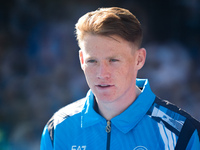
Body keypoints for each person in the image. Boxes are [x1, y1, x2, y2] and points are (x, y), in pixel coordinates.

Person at [40, 7, 200, 150]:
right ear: (82, 60)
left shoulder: (183, 133)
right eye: (92, 61)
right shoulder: (58, 129)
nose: (102, 73)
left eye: (113, 60)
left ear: (139, 59)